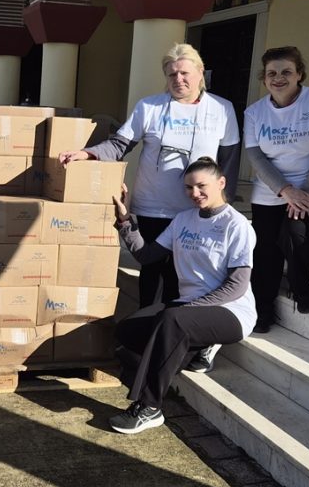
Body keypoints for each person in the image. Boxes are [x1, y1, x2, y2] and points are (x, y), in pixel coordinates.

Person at [60, 43, 241, 308]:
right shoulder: (150, 107)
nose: (178, 79)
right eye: (172, 74)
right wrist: (88, 154)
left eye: (184, 73)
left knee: (183, 276)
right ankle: (146, 331)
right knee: (151, 275)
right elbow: (120, 144)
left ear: (200, 73)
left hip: (195, 209)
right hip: (152, 208)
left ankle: (172, 331)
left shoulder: (222, 109)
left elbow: (229, 162)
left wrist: (223, 207)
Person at [108, 157, 257, 435]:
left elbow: (237, 286)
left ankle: (150, 407)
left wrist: (190, 308)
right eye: (189, 188)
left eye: (202, 186)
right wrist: (125, 220)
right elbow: (147, 255)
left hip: (231, 311)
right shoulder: (183, 220)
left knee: (173, 320)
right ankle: (199, 345)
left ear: (221, 183)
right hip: (189, 308)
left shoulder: (236, 226)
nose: (195, 193)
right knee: (127, 331)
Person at [243, 47, 309, 330]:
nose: (279, 78)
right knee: (264, 249)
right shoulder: (254, 113)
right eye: (272, 73)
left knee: (293, 230)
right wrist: (287, 190)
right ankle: (261, 311)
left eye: (287, 71)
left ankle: (302, 289)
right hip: (272, 188)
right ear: (264, 78)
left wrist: (307, 192)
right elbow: (256, 158)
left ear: (299, 74)